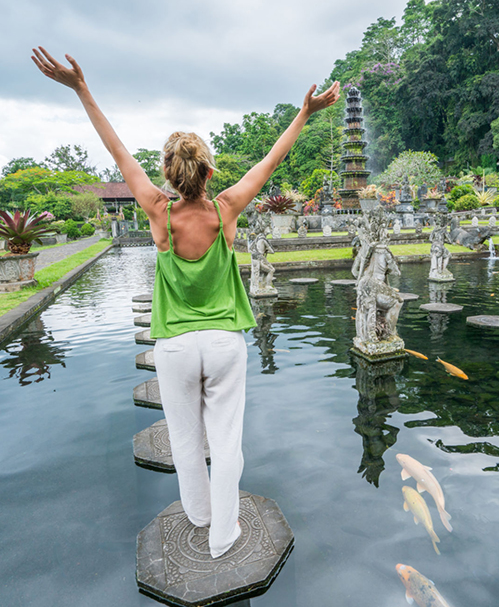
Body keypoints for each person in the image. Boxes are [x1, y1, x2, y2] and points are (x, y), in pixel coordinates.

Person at [32, 47, 340, 557]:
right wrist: (305, 113)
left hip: (174, 347)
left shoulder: (157, 211)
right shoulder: (227, 209)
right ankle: (224, 534)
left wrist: (81, 89)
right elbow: (272, 158)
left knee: (185, 440)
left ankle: (198, 516)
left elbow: (118, 154)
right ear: (210, 173)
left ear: (170, 176)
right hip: (224, 343)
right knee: (226, 442)